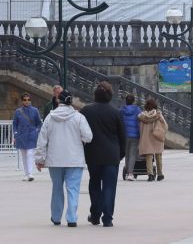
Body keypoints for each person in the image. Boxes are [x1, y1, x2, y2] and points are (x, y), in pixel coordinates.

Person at [36, 90, 91, 226]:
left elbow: (42, 140)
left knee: (57, 188)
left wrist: (40, 159)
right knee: (73, 189)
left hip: (55, 159)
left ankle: (56, 217)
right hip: (74, 159)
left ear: (58, 101)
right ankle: (72, 218)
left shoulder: (50, 117)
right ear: (71, 101)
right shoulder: (79, 117)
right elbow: (88, 137)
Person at [80, 81, 124, 228]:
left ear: (95, 95)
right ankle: (108, 218)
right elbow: (123, 137)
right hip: (112, 155)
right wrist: (120, 155)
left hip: (92, 154)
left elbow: (79, 134)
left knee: (94, 184)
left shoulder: (86, 111)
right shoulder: (116, 112)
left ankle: (95, 215)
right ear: (110, 96)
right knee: (110, 186)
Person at [12, 92, 41, 182]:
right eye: (24, 100)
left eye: (28, 99)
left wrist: (36, 131)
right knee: (24, 155)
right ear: (22, 101)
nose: (27, 101)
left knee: (30, 154)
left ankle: (30, 173)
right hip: (21, 135)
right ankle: (26, 174)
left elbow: (39, 123)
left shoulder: (35, 110)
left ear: (30, 100)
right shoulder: (18, 111)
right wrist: (16, 133)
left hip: (31, 135)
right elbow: (15, 123)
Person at [138, 99, 169, 181]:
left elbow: (140, 128)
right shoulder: (158, 115)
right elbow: (165, 126)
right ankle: (160, 174)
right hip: (157, 137)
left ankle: (150, 175)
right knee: (158, 156)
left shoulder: (142, 116)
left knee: (149, 157)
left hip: (147, 138)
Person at [120, 93, 142, 181]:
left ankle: (127, 172)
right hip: (134, 135)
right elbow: (141, 119)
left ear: (126, 101)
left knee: (127, 154)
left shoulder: (121, 110)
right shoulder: (137, 110)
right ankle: (130, 173)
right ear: (133, 101)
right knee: (133, 154)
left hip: (125, 134)